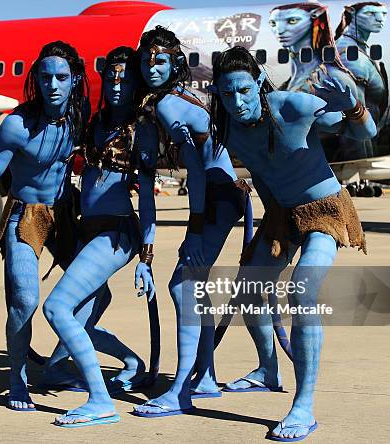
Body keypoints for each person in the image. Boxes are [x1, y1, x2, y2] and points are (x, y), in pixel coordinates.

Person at [208, 46, 375, 441]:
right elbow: (265, 172)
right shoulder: (228, 128)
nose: (237, 102)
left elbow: (366, 133)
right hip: (282, 215)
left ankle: (303, 405)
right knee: (248, 292)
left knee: (302, 291)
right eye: (227, 94)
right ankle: (267, 370)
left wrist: (353, 106)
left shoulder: (292, 107)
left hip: (324, 210)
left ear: (259, 83)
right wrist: (270, 228)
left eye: (244, 91)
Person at [0, 41, 91, 411]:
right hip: (25, 215)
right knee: (25, 301)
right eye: (46, 77)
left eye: (62, 77)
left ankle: (58, 365)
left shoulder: (79, 115)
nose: (53, 85)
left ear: (75, 80)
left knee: (96, 294)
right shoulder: (17, 125)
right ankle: (16, 379)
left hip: (62, 213)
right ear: (36, 80)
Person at [132, 26, 249, 418]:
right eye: (147, 60)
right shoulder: (174, 99)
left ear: (176, 63)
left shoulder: (168, 105)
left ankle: (182, 390)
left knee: (183, 286)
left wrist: (195, 229)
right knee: (193, 287)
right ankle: (206, 379)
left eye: (160, 60)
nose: (152, 67)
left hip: (216, 197)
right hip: (226, 194)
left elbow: (197, 172)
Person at [42, 46, 158, 428]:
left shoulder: (143, 130)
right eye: (110, 76)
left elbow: (146, 197)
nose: (116, 84)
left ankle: (101, 400)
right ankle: (130, 362)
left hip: (116, 232)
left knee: (57, 309)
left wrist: (147, 258)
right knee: (80, 321)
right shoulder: (95, 122)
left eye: (124, 77)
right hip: (87, 229)